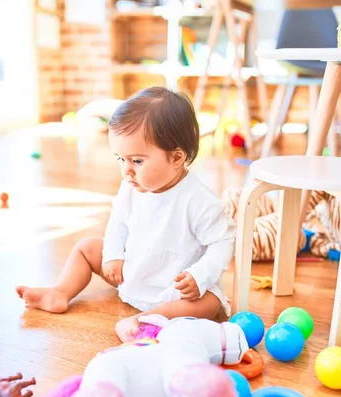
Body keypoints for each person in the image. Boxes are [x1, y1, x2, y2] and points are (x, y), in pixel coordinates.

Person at [16, 86, 236, 342]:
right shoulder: (130, 187)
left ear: (176, 157)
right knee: (86, 248)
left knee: (209, 303)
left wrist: (199, 276)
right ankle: (60, 292)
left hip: (174, 287)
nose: (126, 171)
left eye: (137, 161)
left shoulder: (199, 200)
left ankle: (149, 319)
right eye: (121, 159)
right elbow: (118, 223)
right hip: (132, 271)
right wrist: (112, 256)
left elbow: (222, 242)